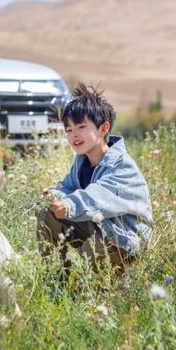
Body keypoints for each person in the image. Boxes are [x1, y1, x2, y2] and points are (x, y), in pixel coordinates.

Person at [37, 83, 153, 278]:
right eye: (69, 129)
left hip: (125, 238)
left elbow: (99, 195)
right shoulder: (82, 161)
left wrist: (69, 204)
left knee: (92, 250)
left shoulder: (121, 165)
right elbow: (67, 187)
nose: (74, 134)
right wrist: (54, 196)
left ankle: (102, 287)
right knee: (47, 215)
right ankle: (56, 278)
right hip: (100, 228)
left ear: (103, 128)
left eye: (82, 127)